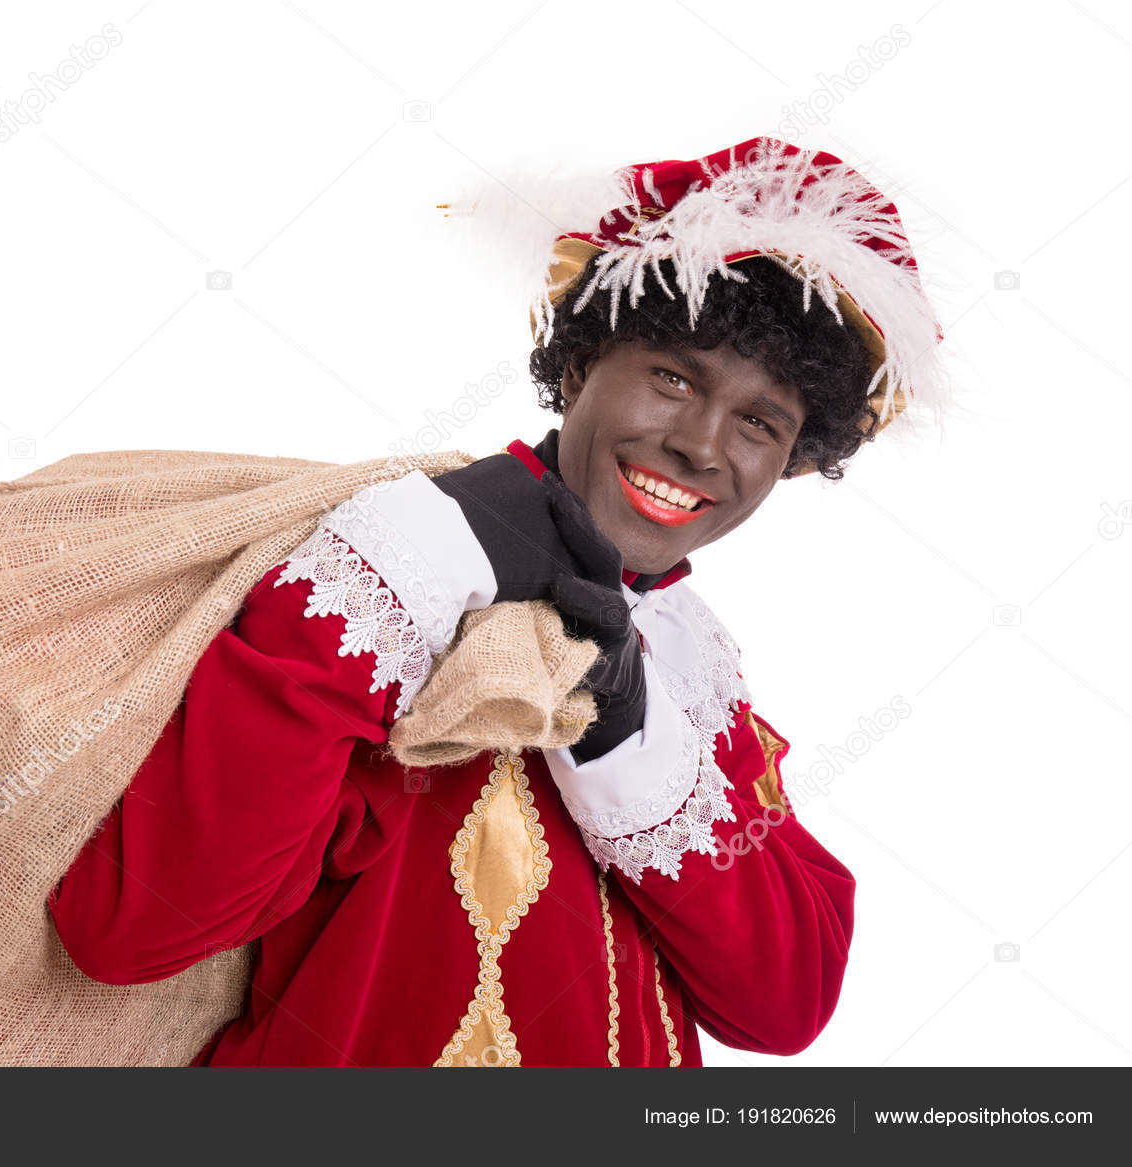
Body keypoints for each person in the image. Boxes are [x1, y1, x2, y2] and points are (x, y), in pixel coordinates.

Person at [47, 137, 948, 1066]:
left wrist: (628, 726)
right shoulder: (378, 575)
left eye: (762, 423)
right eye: (674, 377)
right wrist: (422, 556)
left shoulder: (694, 678)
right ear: (576, 367)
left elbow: (786, 1002)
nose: (703, 446)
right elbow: (131, 929)